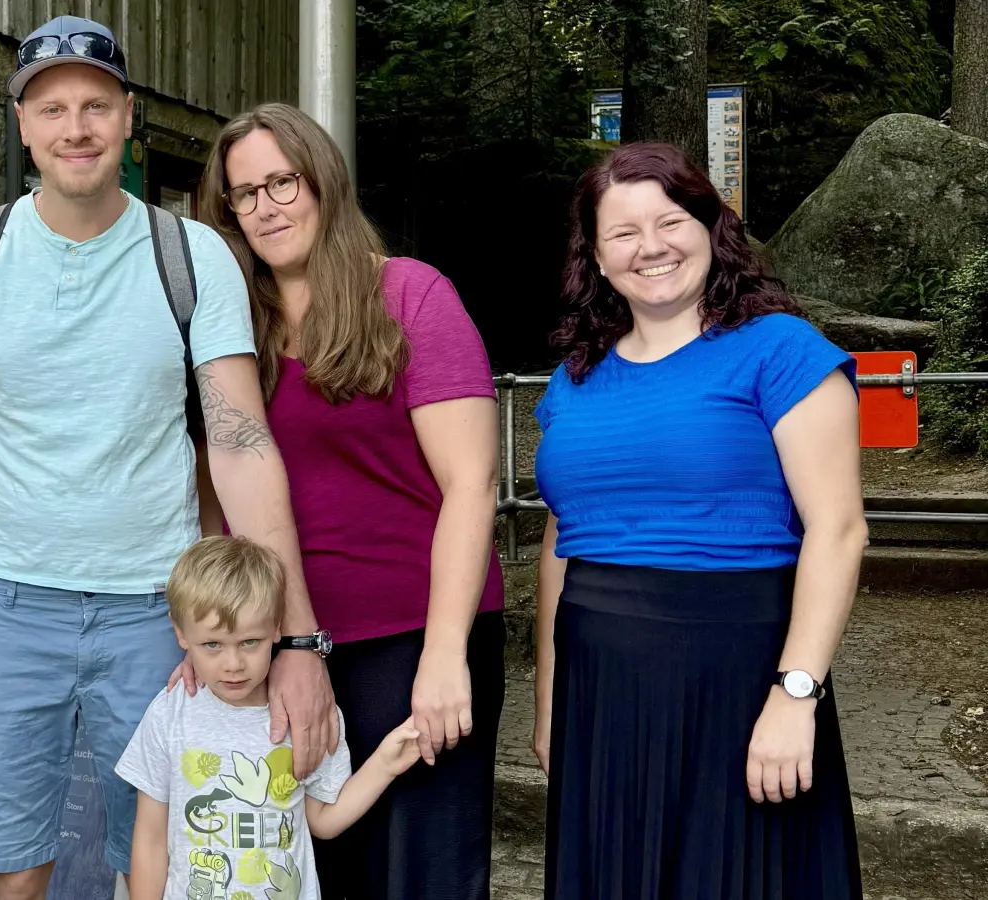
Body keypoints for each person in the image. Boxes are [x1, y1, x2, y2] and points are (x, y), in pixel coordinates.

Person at [0, 16, 335, 900]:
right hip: (6, 612)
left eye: (96, 105)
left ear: (129, 116)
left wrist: (294, 637)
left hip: (160, 619)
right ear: (20, 124)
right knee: (8, 870)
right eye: (51, 108)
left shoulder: (191, 255)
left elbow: (242, 446)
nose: (76, 128)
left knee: (169, 866)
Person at [190, 102, 507, 900]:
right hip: (281, 642)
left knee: (424, 870)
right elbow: (213, 492)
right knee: (307, 865)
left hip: (414, 632)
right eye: (244, 194)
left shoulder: (409, 296)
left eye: (281, 183)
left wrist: (444, 656)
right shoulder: (231, 326)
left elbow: (473, 484)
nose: (266, 208)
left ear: (322, 181)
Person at [532, 141, 865, 899]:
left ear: (711, 228)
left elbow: (839, 530)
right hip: (601, 690)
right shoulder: (573, 379)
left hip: (739, 680)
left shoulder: (780, 351)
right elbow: (562, 536)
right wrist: (551, 702)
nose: (650, 246)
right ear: (598, 257)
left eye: (670, 220)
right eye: (623, 232)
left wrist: (796, 694)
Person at [119, 536, 424, 900]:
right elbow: (150, 839)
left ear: (277, 628)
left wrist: (386, 764)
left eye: (250, 642)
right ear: (181, 633)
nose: (233, 664)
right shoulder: (171, 712)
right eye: (213, 645)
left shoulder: (305, 715)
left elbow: (324, 821)